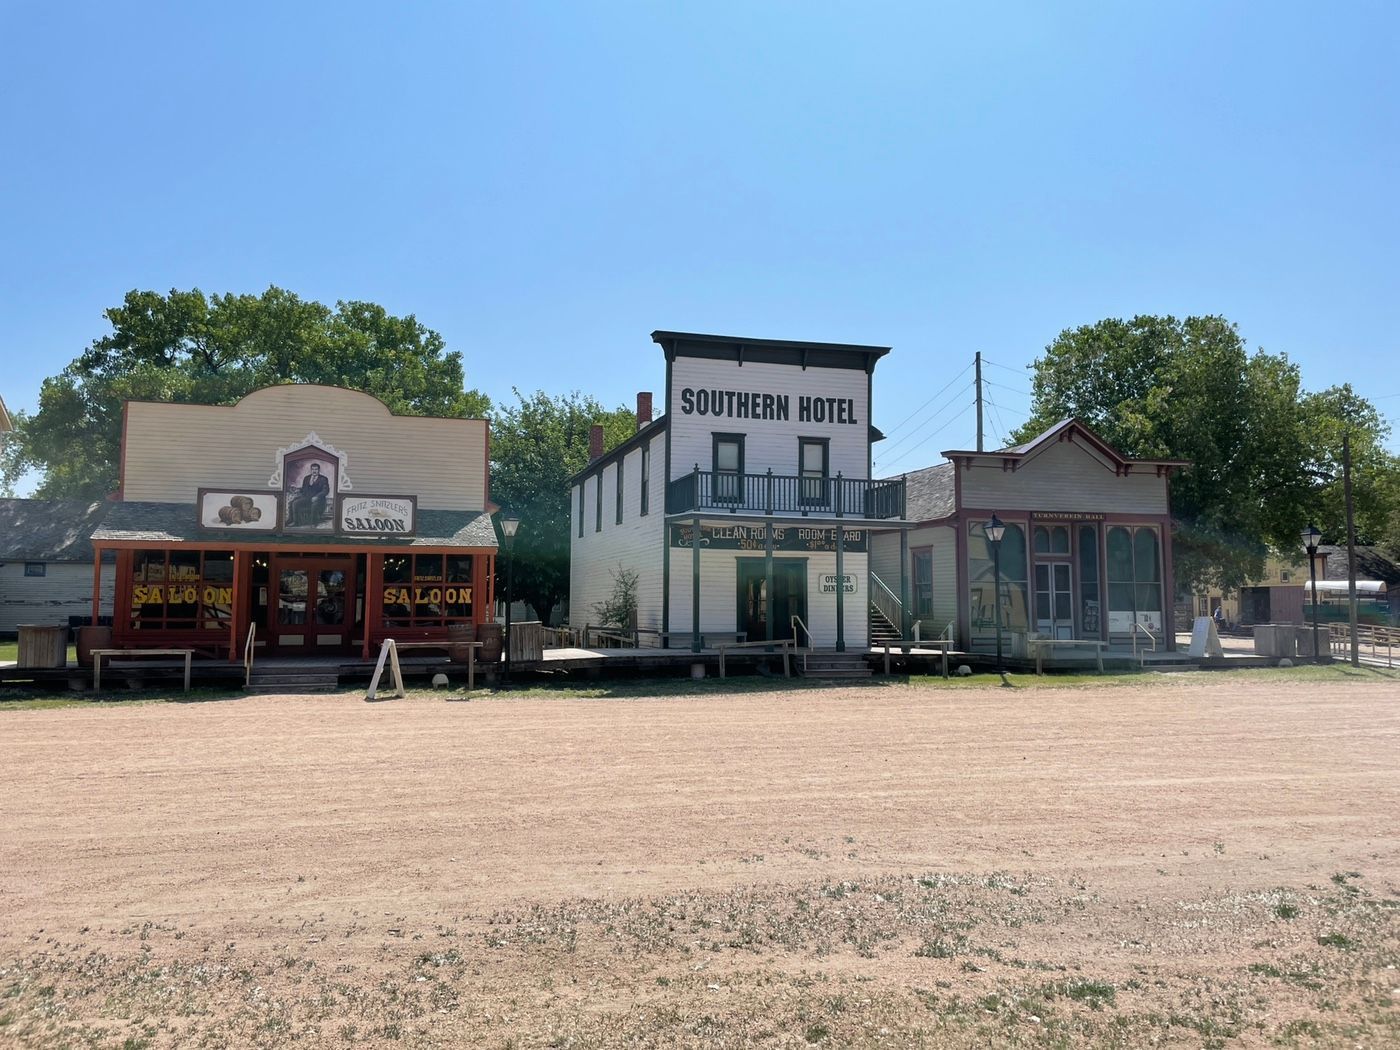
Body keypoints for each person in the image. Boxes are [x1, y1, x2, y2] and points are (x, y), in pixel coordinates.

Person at [289, 462, 330, 527]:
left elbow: (326, 490)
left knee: (314, 504)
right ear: (311, 470)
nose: (314, 471)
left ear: (319, 470)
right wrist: (297, 490)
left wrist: (317, 496)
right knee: (293, 502)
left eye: (316, 469)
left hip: (319, 500)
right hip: (307, 498)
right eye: (313, 469)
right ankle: (293, 521)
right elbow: (304, 489)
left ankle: (313, 523)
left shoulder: (323, 479)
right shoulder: (307, 478)